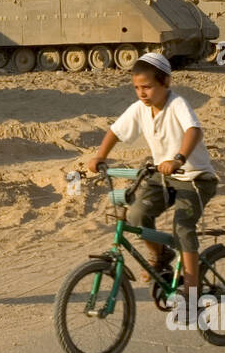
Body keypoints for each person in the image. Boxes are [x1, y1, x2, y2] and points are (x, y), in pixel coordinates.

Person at [87, 52, 218, 315]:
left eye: (147, 86)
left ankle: (192, 292)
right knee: (136, 213)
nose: (141, 93)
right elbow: (115, 131)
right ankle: (160, 256)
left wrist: (179, 159)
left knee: (182, 227)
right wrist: (100, 156)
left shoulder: (177, 103)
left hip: (195, 179)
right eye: (137, 87)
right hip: (162, 177)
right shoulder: (139, 109)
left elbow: (194, 130)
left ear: (165, 82)